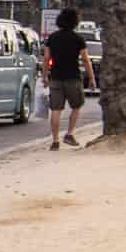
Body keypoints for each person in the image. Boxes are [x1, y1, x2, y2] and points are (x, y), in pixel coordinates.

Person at [42, 8, 94, 150]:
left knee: (56, 109)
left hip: (56, 78)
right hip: (73, 77)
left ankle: (55, 140)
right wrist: (91, 77)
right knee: (77, 106)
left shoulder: (52, 38)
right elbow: (85, 59)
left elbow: (46, 58)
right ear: (75, 21)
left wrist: (45, 76)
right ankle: (69, 134)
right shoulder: (78, 39)